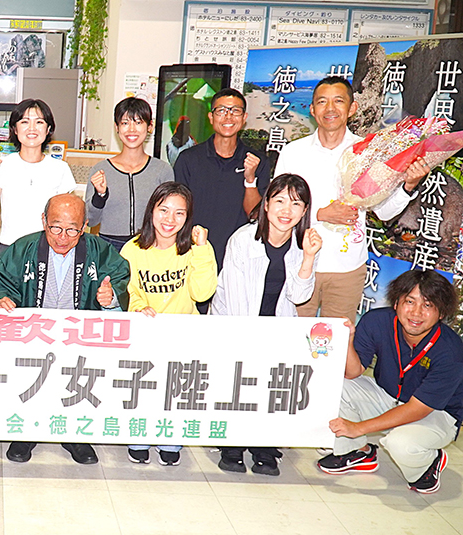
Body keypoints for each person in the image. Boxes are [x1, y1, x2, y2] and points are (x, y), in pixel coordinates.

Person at [0, 193, 130, 465]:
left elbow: (119, 276)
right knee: (31, 380)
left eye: (72, 229)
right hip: (35, 336)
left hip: (79, 338)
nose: (63, 237)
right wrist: (2, 297)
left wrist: (110, 298)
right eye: (56, 228)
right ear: (44, 221)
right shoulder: (24, 248)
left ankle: (75, 435)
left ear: (84, 226)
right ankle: (25, 432)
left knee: (79, 381)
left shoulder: (99, 252)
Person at [274, 76, 430, 321]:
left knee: (339, 337)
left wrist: (408, 185)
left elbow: (384, 212)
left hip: (347, 268)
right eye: (322, 102)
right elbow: (277, 211)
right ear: (312, 109)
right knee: (292, 335)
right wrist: (319, 214)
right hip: (299, 262)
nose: (330, 108)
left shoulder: (368, 152)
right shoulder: (293, 152)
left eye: (338, 101)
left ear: (352, 108)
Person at [211, 173, 322, 475]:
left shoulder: (304, 244)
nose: (287, 210)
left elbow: (299, 296)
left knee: (274, 384)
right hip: (238, 324)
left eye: (296, 204)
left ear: (304, 210)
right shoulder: (242, 240)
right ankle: (232, 443)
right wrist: (254, 344)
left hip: (277, 326)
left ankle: (264, 445)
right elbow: (236, 304)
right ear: (267, 204)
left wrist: (309, 258)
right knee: (240, 380)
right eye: (280, 201)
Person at [318, 270, 463, 494]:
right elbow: (353, 373)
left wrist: (357, 427)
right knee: (333, 386)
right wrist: (347, 341)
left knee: (401, 444)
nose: (416, 312)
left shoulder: (450, 350)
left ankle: (427, 464)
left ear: (441, 312)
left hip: (437, 413)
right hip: (388, 395)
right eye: (410, 301)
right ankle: (358, 452)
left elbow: (418, 408)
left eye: (427, 305)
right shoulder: (377, 321)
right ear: (396, 303)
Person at [120, 182, 217, 465]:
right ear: (151, 210)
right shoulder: (133, 248)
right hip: (145, 331)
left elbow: (202, 293)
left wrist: (201, 249)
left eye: (179, 213)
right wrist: (139, 306)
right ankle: (139, 435)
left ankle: (170, 438)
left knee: (177, 387)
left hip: (182, 334)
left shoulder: (197, 248)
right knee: (143, 385)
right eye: (163, 210)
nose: (169, 219)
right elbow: (127, 289)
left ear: (188, 217)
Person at [174, 88, 271, 276]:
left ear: (244, 118)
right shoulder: (189, 159)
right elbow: (178, 211)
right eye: (221, 110)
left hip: (239, 257)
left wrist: (250, 179)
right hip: (195, 254)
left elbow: (256, 216)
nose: (228, 116)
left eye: (235, 111)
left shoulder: (257, 161)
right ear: (211, 117)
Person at [0, 99, 75, 254]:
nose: (32, 128)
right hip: (10, 249)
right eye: (25, 122)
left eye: (39, 122)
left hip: (46, 250)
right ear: (15, 129)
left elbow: (65, 220)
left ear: (48, 129)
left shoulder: (60, 169)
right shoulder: (3, 165)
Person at [86, 97, 174, 253]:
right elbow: (91, 221)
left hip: (150, 245)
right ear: (117, 127)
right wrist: (100, 195)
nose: (131, 129)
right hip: (110, 247)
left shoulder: (162, 170)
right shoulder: (101, 170)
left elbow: (169, 216)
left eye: (138, 122)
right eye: (125, 123)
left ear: (150, 126)